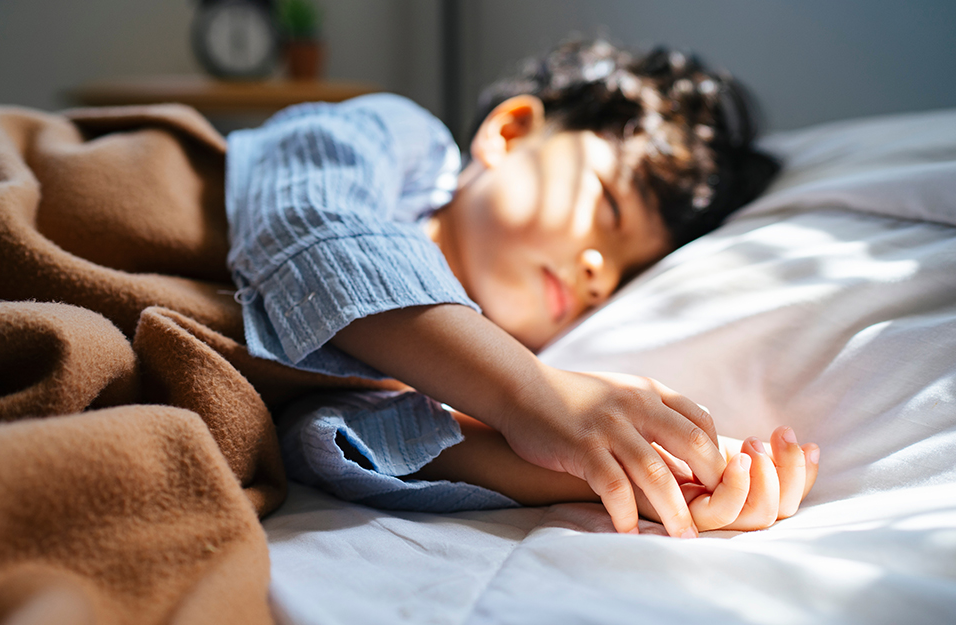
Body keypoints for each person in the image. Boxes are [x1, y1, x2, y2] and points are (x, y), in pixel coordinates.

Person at [225, 39, 819, 537]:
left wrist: (647, 476)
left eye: (624, 275)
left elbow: (326, 440)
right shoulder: (401, 142)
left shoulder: (469, 373)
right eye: (605, 207)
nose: (598, 273)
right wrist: (533, 393)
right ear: (510, 132)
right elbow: (308, 223)